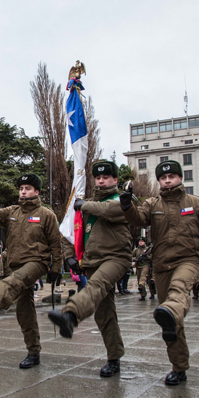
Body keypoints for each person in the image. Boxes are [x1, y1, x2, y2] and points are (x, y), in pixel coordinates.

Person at [120, 160, 199, 386]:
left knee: (178, 293)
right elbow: (138, 218)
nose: (167, 181)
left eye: (172, 177)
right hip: (161, 263)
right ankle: (179, 367)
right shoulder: (153, 203)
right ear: (159, 181)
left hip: (189, 260)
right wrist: (127, 205)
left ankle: (167, 312)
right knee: (172, 321)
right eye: (163, 178)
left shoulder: (197, 204)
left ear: (180, 178)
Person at [0, 173, 63, 369]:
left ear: (37, 191)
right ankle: (34, 352)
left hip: (36, 262)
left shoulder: (46, 214)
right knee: (24, 310)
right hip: (15, 263)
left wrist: (56, 268)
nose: (23, 191)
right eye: (21, 188)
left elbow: (56, 244)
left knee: (13, 281)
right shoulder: (12, 212)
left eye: (27, 188)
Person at [48, 160, 133, 378]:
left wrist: (82, 205)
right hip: (92, 262)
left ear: (115, 179)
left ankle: (71, 315)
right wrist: (70, 257)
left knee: (95, 287)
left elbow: (111, 210)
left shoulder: (122, 199)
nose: (101, 180)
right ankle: (114, 358)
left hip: (116, 258)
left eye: (106, 177)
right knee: (104, 314)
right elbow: (67, 231)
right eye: (98, 177)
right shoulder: (84, 204)